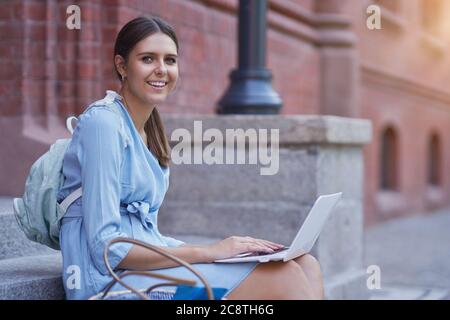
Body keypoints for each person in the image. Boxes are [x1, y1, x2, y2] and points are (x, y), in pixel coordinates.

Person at [57, 16, 324, 300]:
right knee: (285, 278)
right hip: (107, 282)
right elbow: (105, 247)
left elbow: (147, 237)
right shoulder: (104, 124)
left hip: (144, 270)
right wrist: (207, 252)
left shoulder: (151, 130)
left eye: (170, 60)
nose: (161, 70)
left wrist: (226, 254)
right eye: (148, 59)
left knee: (306, 264)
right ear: (122, 66)